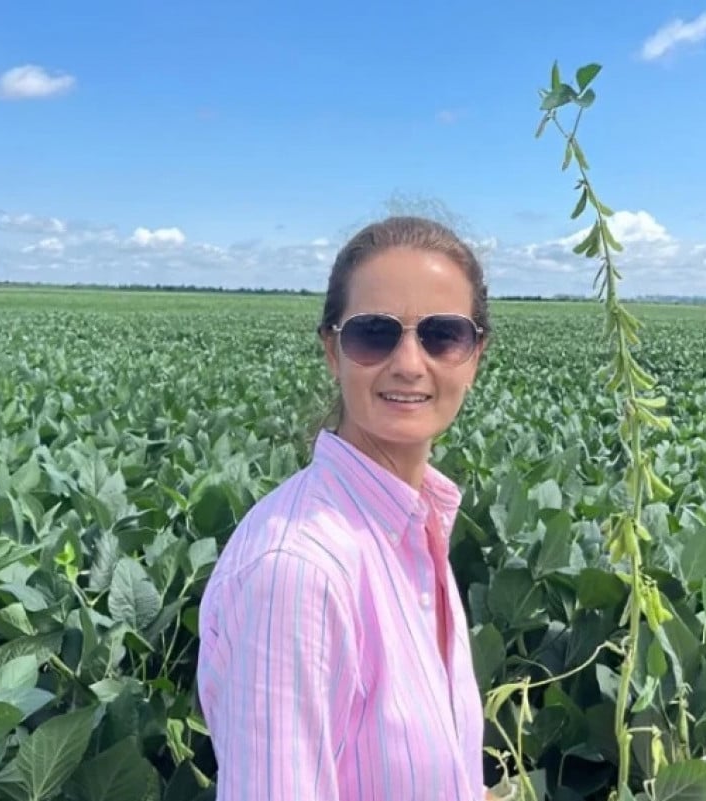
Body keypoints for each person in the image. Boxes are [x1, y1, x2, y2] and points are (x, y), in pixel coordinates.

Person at [197, 215, 496, 801]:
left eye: (443, 335)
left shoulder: (417, 527)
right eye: (374, 334)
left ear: (474, 356)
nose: (409, 363)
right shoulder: (298, 572)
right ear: (332, 351)